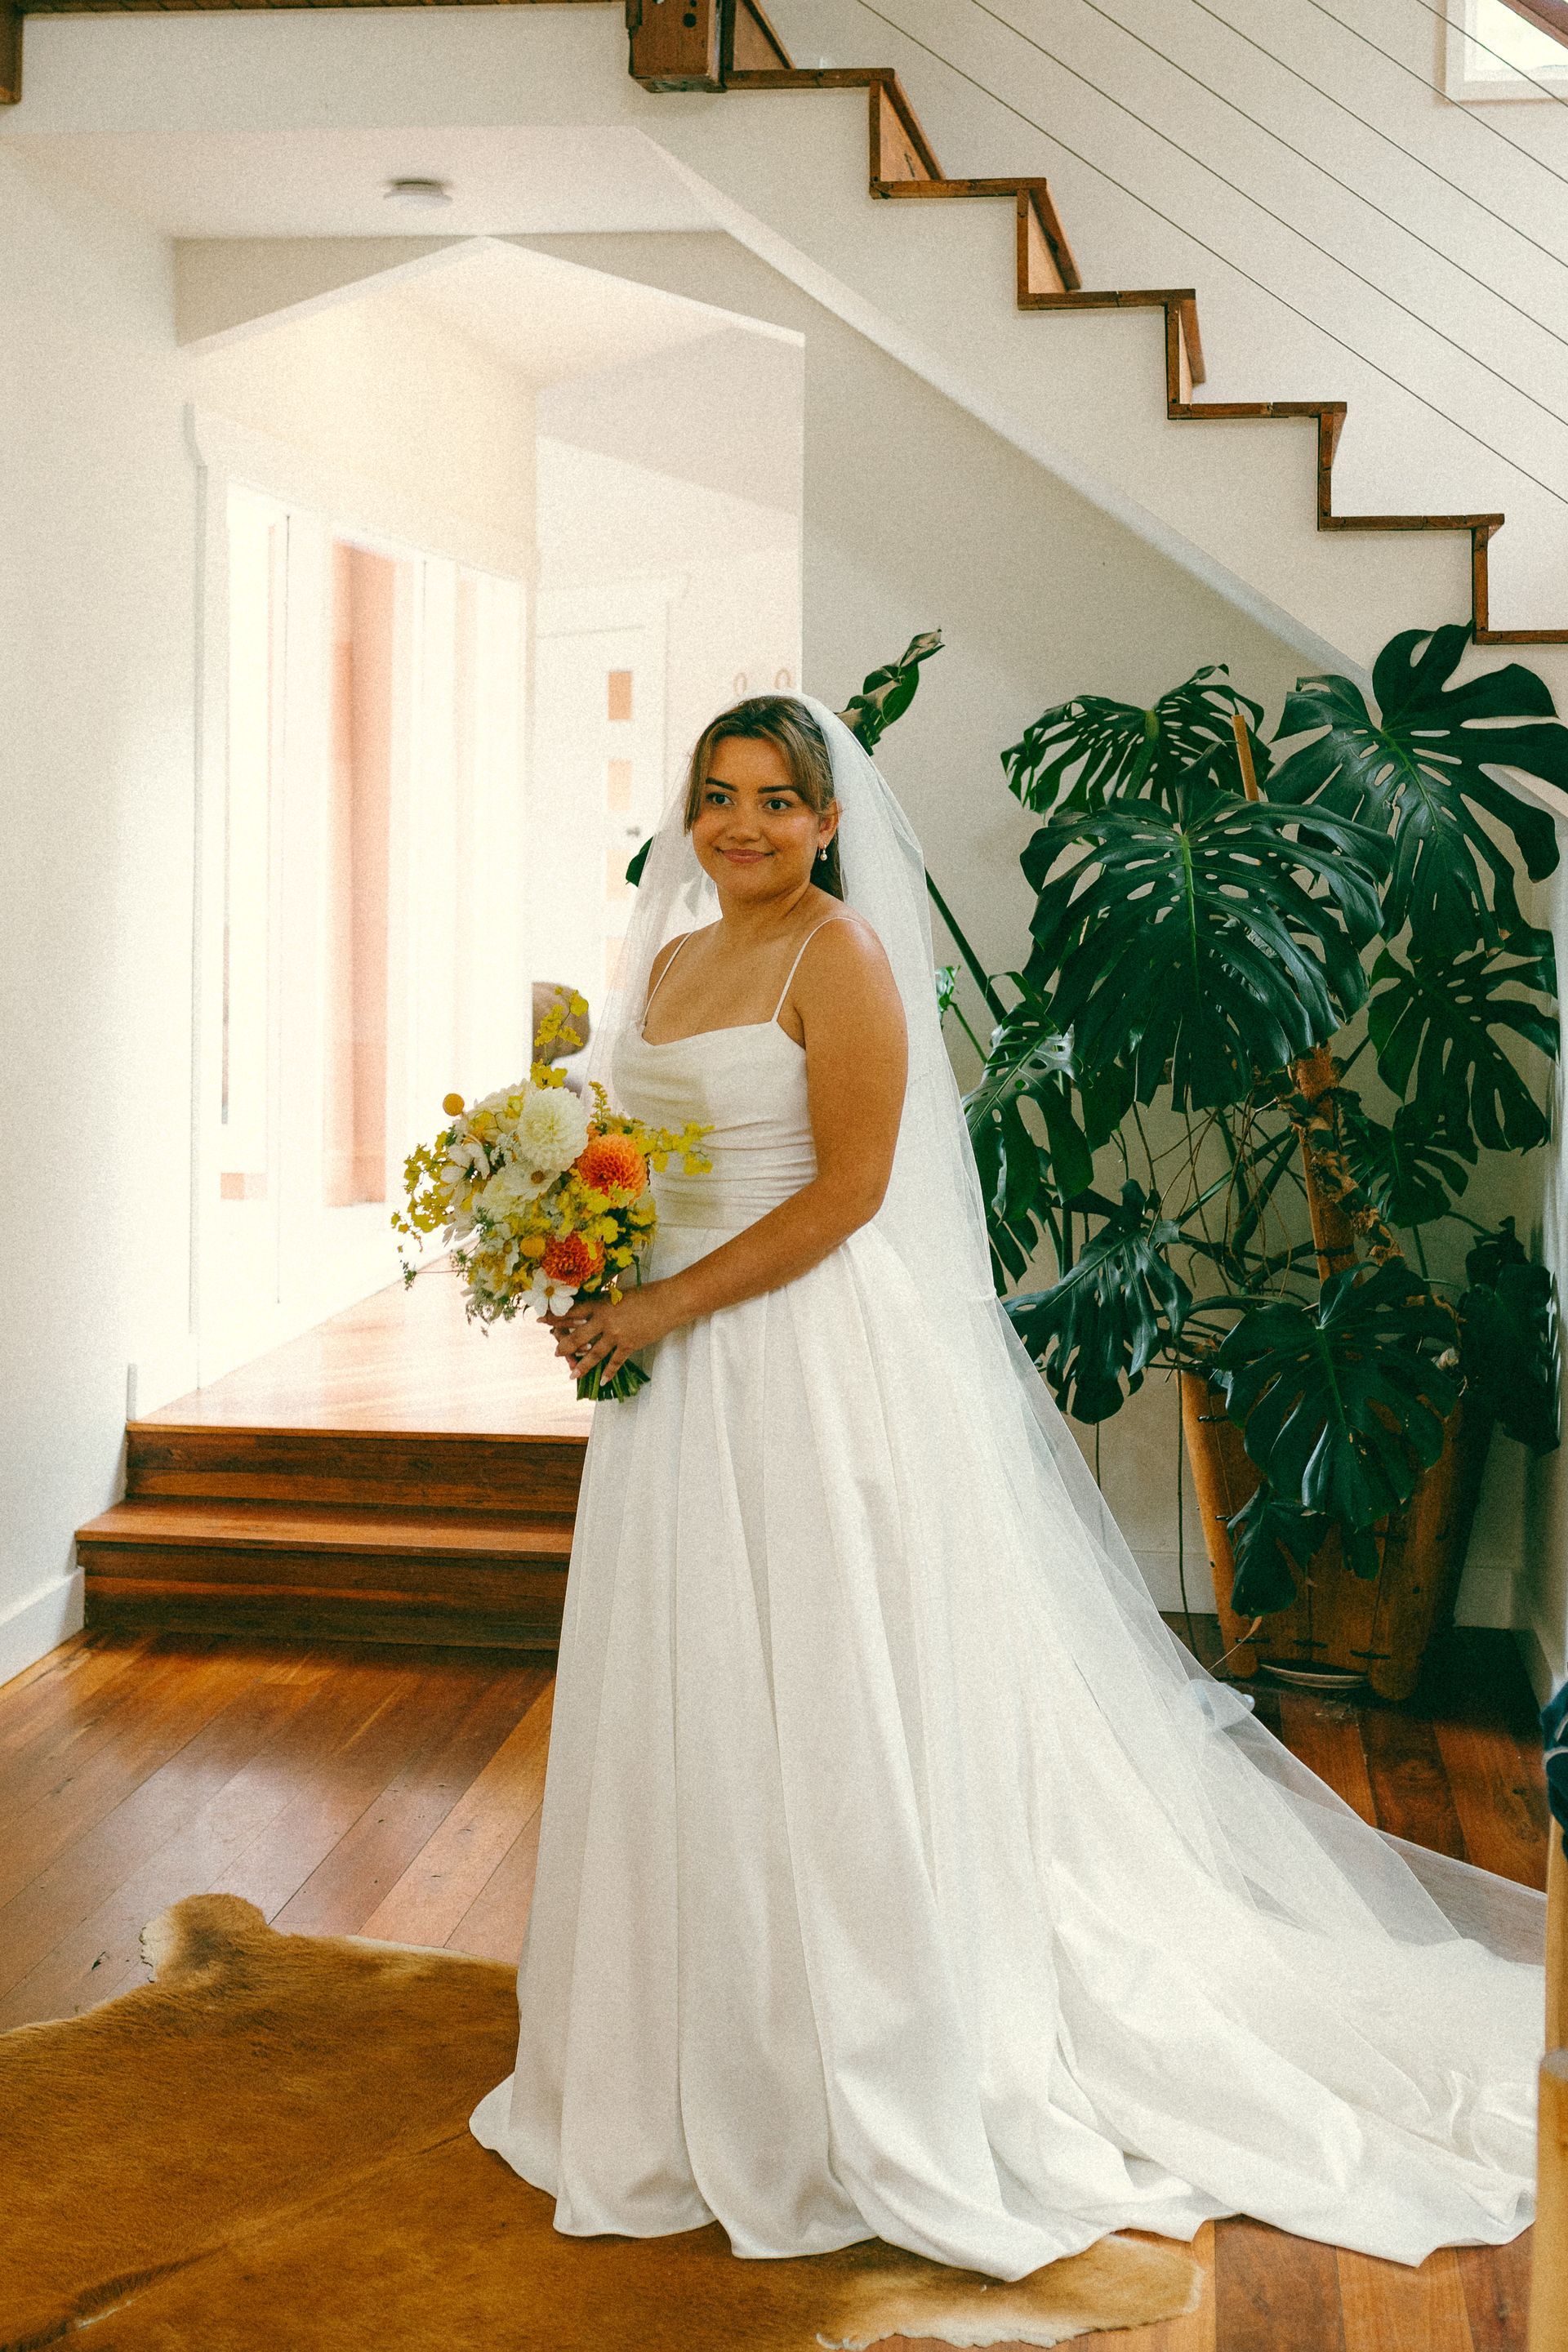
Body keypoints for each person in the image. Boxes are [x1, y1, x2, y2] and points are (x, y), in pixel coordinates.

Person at [468, 691, 1544, 2282]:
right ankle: (685, 2031)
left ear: (830, 822)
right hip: (676, 1378)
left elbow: (845, 1193)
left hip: (802, 1367)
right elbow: (636, 1154)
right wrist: (573, 1240)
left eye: (776, 800)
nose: (742, 826)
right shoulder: (676, 952)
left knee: (831, 1699)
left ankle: (851, 2041)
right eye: (718, 796)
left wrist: (658, 1303)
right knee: (689, 1687)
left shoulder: (841, 956)